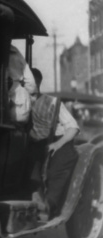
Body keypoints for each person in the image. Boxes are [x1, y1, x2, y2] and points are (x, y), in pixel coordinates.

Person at [29, 68, 79, 219]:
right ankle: (34, 200)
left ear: (37, 83)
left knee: (61, 161)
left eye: (32, 83)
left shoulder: (52, 102)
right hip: (34, 143)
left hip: (56, 141)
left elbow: (73, 127)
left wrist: (58, 145)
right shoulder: (17, 100)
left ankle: (49, 206)